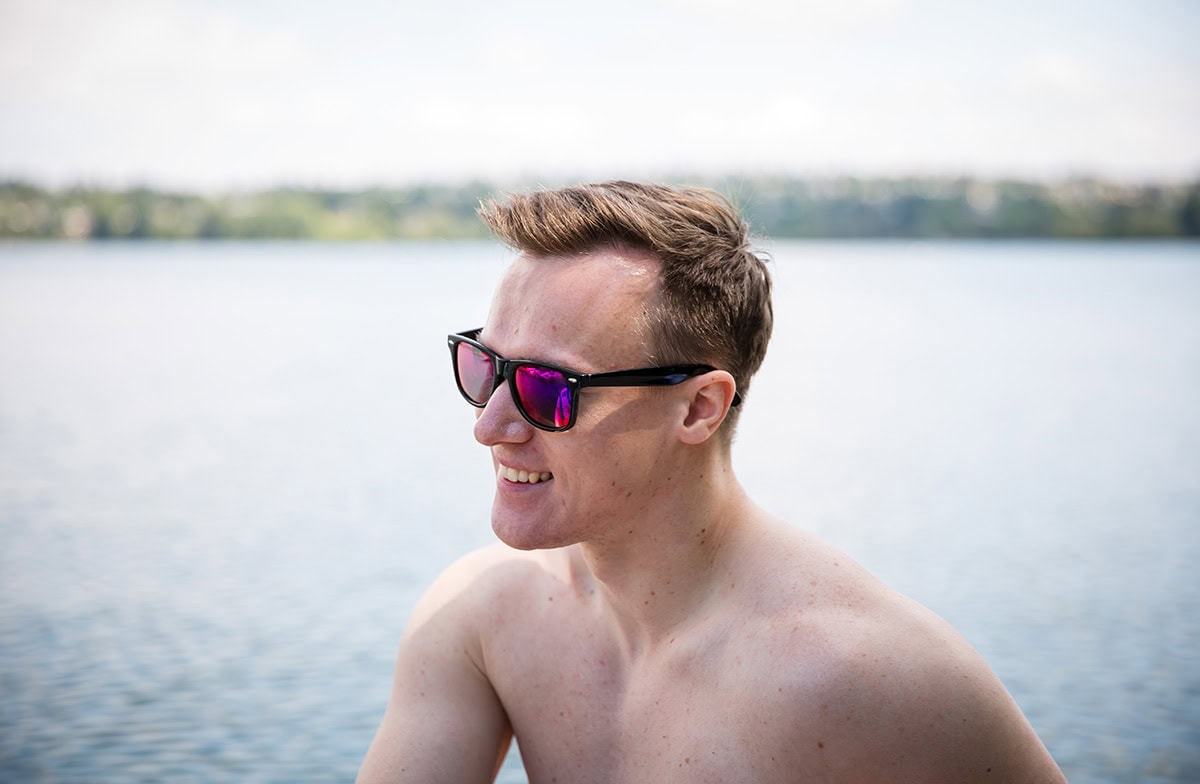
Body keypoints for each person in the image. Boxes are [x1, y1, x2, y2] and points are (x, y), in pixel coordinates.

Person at [357, 181, 1066, 783]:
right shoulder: (483, 616)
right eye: (485, 367)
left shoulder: (866, 677)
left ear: (699, 407)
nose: (490, 426)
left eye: (549, 388)